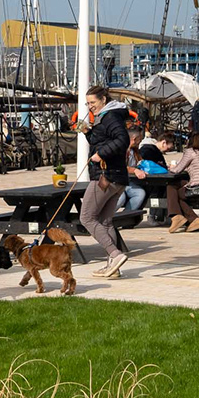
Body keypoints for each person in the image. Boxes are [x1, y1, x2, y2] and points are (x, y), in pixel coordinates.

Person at [81, 85, 133, 278]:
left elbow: (122, 140)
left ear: (104, 99)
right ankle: (114, 267)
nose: (89, 106)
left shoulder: (110, 116)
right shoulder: (110, 115)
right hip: (117, 177)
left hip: (106, 176)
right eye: (87, 103)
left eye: (92, 102)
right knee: (105, 221)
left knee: (86, 217)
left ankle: (115, 254)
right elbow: (106, 139)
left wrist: (100, 154)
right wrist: (88, 133)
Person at [165, 132, 199, 233]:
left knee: (172, 188)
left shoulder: (190, 151)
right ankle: (193, 220)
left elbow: (177, 170)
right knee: (177, 190)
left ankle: (176, 216)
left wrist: (170, 167)